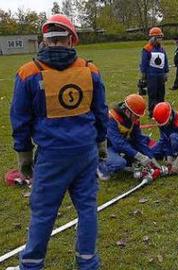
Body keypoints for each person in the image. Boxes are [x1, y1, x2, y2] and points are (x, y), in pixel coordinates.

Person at [9, 14, 108, 270]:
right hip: (86, 151)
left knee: (43, 212)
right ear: (71, 39)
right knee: (87, 208)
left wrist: (24, 155)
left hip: (52, 154)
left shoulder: (28, 73)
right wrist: (101, 143)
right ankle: (88, 262)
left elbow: (20, 119)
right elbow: (101, 111)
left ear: (44, 40)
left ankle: (31, 264)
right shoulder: (90, 70)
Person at [97, 94, 159, 181]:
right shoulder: (112, 118)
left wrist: (151, 158)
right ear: (127, 111)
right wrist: (139, 156)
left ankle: (125, 161)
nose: (137, 118)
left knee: (142, 147)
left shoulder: (134, 118)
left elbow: (138, 140)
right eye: (136, 116)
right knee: (120, 163)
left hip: (119, 144)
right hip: (106, 147)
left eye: (138, 116)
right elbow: (118, 143)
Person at [139, 27, 169, 117]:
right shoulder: (147, 49)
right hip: (151, 76)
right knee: (152, 95)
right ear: (154, 38)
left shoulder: (161, 49)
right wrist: (144, 75)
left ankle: (161, 111)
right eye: (159, 38)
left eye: (161, 38)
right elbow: (144, 63)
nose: (161, 39)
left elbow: (165, 61)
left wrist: (166, 72)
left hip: (160, 76)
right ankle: (152, 112)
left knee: (161, 94)